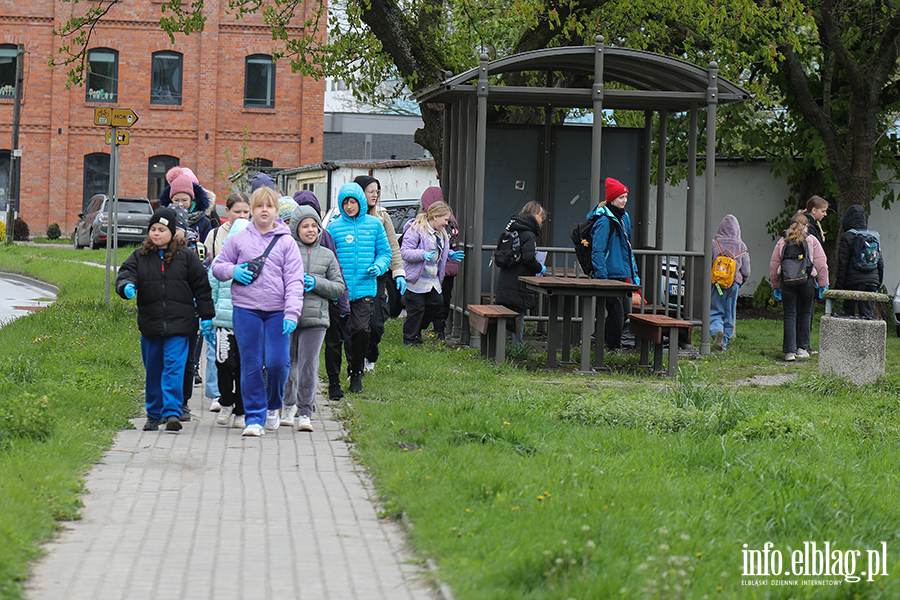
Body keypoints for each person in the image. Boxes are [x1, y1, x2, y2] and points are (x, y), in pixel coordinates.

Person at [212, 186, 304, 436]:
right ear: (252, 210)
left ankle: (273, 406)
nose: (264, 210)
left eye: (269, 206)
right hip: (246, 309)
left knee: (277, 363)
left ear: (276, 210)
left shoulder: (287, 243)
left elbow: (295, 281)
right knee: (251, 364)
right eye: (259, 206)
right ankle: (254, 417)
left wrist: (292, 313)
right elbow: (218, 267)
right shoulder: (239, 239)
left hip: (277, 312)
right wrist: (234, 271)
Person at [115, 207, 215, 432]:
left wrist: (207, 316)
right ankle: (153, 414)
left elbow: (202, 287)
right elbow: (126, 274)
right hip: (151, 325)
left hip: (180, 325)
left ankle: (172, 413)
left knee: (174, 367)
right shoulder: (140, 257)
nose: (156, 234)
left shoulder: (186, 257)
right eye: (153, 229)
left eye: (161, 229)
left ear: (172, 232)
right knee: (153, 369)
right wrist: (126, 287)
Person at [282, 205, 346, 431]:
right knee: (288, 364)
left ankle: (305, 411)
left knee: (309, 365)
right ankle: (287, 406)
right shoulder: (287, 251)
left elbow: (338, 287)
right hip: (288, 317)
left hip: (316, 320)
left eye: (314, 226)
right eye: (305, 226)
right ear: (295, 229)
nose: (310, 230)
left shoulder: (328, 255)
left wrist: (316, 283)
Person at [326, 182, 392, 394]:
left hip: (365, 289)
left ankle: (357, 371)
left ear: (360, 202)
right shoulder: (334, 227)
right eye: (345, 202)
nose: (349, 206)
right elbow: (327, 256)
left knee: (362, 330)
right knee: (345, 335)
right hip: (340, 291)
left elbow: (385, 252)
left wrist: (379, 266)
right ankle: (350, 372)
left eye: (353, 202)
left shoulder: (374, 224)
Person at [294, 190, 351, 401]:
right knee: (295, 358)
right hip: (294, 310)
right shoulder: (288, 244)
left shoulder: (324, 238)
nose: (310, 229)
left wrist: (343, 304)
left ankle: (332, 383)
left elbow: (337, 275)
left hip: (325, 305)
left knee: (331, 344)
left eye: (313, 223)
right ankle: (293, 399)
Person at [201, 192, 251, 413]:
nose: (242, 215)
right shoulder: (218, 250)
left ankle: (241, 407)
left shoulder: (254, 260)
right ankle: (222, 395)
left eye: (245, 211)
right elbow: (211, 287)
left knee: (243, 365)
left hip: (247, 322)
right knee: (222, 361)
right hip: (222, 319)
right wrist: (207, 318)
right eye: (237, 211)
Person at [353, 175, 406, 372]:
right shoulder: (346, 217)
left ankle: (370, 357)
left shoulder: (382, 216)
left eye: (377, 191)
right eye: (371, 191)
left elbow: (392, 247)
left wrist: (398, 273)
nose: (375, 195)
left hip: (377, 278)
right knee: (357, 325)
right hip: (354, 279)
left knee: (376, 324)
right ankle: (355, 365)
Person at [589, 177, 641, 351]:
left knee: (624, 311)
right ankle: (612, 348)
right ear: (612, 198)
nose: (624, 200)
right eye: (621, 197)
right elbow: (598, 251)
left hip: (621, 273)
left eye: (626, 197)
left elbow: (627, 248)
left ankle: (599, 339)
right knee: (617, 313)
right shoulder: (604, 220)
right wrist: (602, 278)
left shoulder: (623, 217)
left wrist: (633, 274)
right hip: (609, 275)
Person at [401, 200, 464, 345]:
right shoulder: (415, 229)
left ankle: (417, 329)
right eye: (445, 220)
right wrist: (422, 254)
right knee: (416, 310)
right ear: (435, 217)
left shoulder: (440, 232)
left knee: (436, 303)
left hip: (431, 279)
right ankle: (410, 339)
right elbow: (405, 252)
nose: (447, 223)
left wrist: (449, 254)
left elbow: (438, 250)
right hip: (416, 279)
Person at [770, 213, 829, 361]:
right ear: (806, 225)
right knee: (805, 313)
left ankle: (789, 351)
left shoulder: (782, 241)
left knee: (790, 314)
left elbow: (774, 264)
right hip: (806, 280)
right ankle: (802, 348)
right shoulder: (811, 240)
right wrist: (823, 284)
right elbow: (821, 263)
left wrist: (776, 285)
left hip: (787, 281)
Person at [495, 201, 546, 341]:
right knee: (519, 317)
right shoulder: (529, 234)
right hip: (520, 282)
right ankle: (517, 349)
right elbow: (528, 258)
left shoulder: (512, 228)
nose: (542, 221)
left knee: (507, 317)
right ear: (536, 215)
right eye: (542, 217)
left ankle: (504, 347)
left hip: (506, 279)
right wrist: (540, 268)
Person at [418, 187, 461, 339]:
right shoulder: (450, 218)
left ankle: (433, 329)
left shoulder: (437, 219)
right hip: (448, 266)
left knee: (435, 299)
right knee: (443, 299)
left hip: (438, 266)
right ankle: (439, 330)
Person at [709, 215, 750, 351]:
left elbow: (709, 264)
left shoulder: (715, 244)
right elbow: (746, 270)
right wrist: (740, 281)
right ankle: (724, 342)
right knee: (729, 313)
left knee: (715, 310)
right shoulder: (741, 246)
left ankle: (716, 332)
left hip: (717, 285)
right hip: (733, 284)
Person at [836, 204, 884, 318]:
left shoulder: (847, 236)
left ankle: (848, 334)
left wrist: (839, 286)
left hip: (852, 282)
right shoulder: (874, 236)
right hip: (872, 281)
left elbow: (843, 264)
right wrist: (878, 283)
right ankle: (868, 335)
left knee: (848, 314)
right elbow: (880, 262)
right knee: (867, 314)